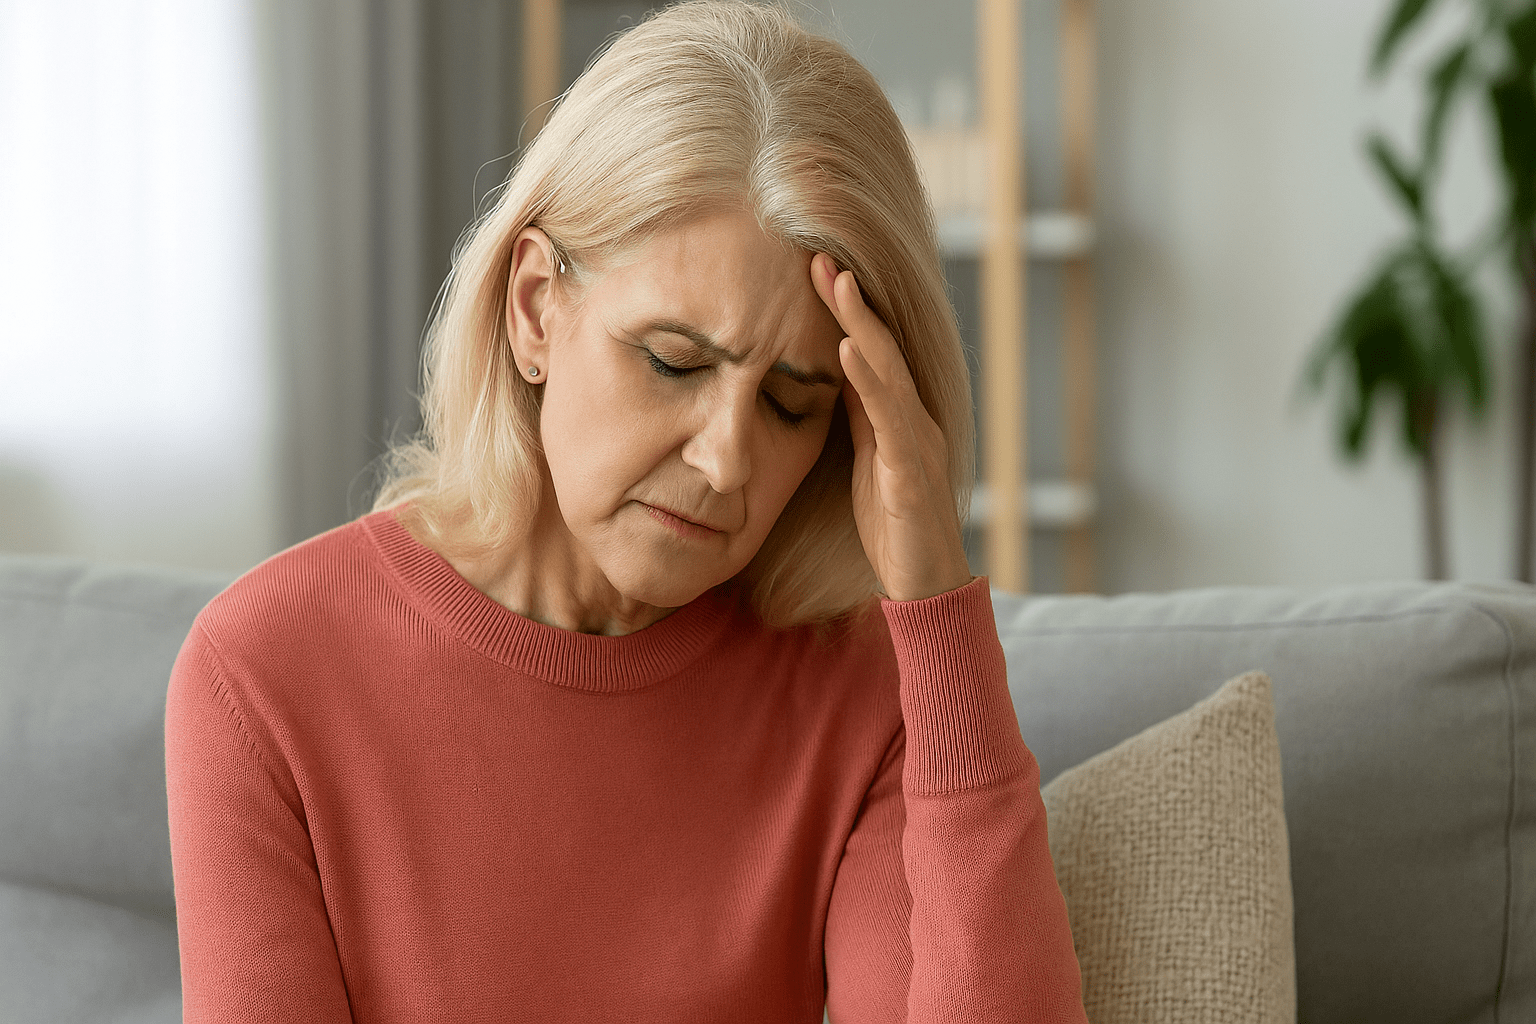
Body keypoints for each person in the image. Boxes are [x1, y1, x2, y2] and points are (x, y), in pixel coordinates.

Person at [165, 2, 1087, 1021]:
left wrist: (938, 611)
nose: (729, 457)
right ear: (534, 309)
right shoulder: (265, 674)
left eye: (791, 403)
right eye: (674, 361)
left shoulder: (862, 695)